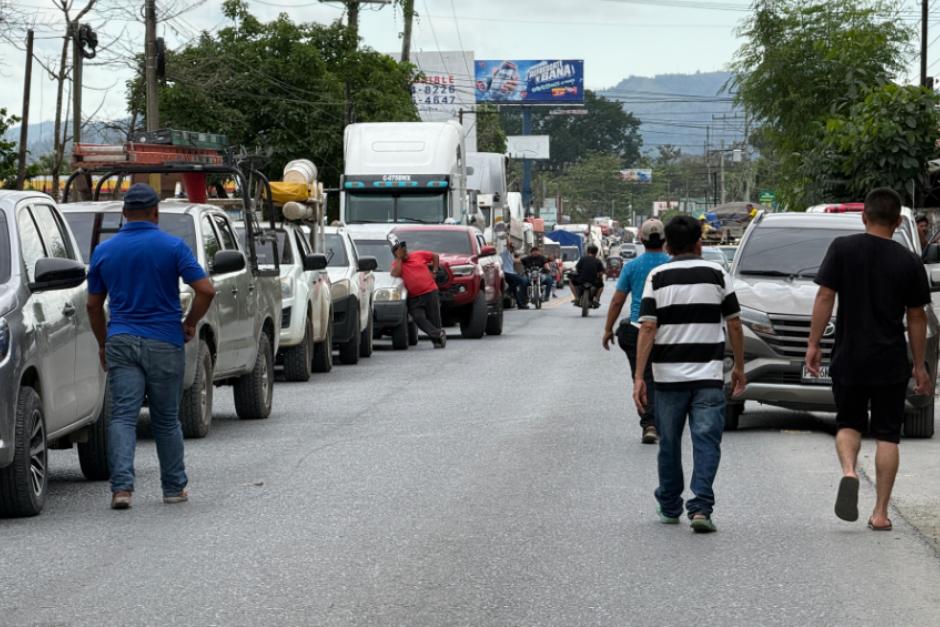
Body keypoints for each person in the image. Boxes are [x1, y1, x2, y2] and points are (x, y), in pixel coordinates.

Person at [806, 188, 932, 531]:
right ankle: (880, 513)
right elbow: (917, 317)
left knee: (848, 423)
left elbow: (825, 295)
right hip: (890, 360)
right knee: (888, 434)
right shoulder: (909, 261)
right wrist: (919, 366)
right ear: (897, 222)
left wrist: (813, 343)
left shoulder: (842, 249)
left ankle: (849, 471)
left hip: (849, 355)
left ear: (864, 217)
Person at [85, 183, 216, 510]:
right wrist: (190, 322)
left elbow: (93, 305)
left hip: (121, 339)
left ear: (124, 213)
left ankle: (122, 490)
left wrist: (103, 343)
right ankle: (173, 488)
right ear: (156, 213)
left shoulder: (104, 251)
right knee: (166, 419)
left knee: (123, 417)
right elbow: (206, 290)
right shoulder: (173, 247)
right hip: (165, 340)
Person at [633, 215, 746, 533]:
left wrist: (639, 377)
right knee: (706, 442)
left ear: (668, 245)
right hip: (708, 376)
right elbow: (735, 323)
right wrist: (739, 366)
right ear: (699, 243)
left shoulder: (657, 277)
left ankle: (670, 506)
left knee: (669, 443)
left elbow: (648, 327)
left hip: (668, 378)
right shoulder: (717, 274)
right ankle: (700, 509)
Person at [602, 220, 671, 444]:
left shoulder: (632, 267)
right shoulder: (672, 265)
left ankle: (649, 423)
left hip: (638, 330)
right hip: (668, 332)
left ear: (641, 239)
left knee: (643, 376)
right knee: (666, 376)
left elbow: (617, 301)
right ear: (664, 240)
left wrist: (608, 329)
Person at [389, 234, 447, 348]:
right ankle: (438, 334)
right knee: (418, 317)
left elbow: (435, 256)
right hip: (414, 297)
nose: (405, 253)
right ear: (396, 254)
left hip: (430, 292)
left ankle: (437, 341)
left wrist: (434, 271)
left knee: (434, 319)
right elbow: (395, 273)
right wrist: (399, 258)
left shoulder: (418, 255)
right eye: (402, 251)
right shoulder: (397, 264)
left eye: (405, 250)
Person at [500, 242, 529, 309]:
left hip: (511, 273)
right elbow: (508, 244)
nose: (513, 249)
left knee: (515, 289)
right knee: (520, 280)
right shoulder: (505, 252)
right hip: (506, 273)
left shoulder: (510, 255)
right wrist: (508, 237)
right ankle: (507, 291)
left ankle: (520, 305)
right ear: (508, 247)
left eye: (513, 248)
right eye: (511, 247)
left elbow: (516, 261)